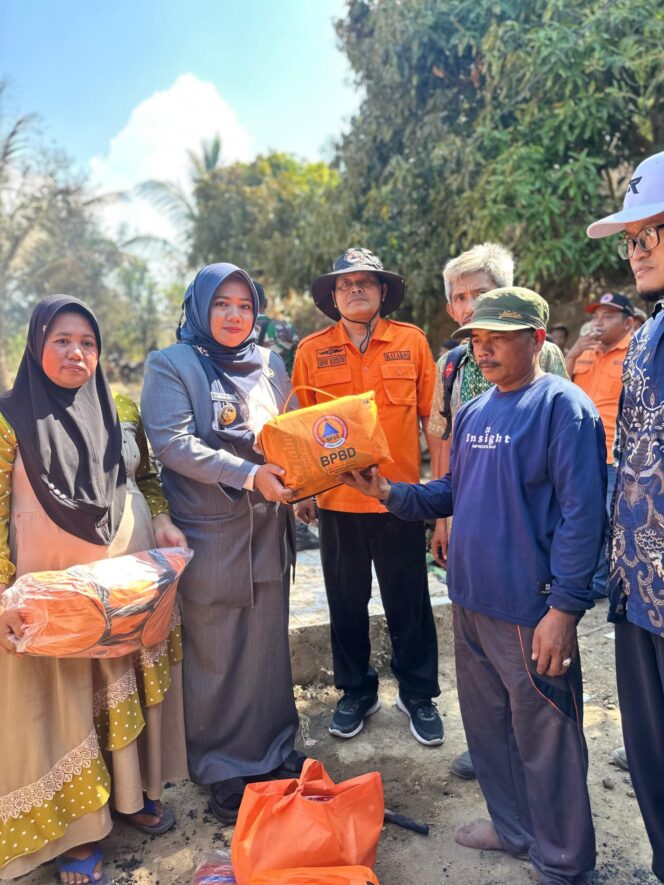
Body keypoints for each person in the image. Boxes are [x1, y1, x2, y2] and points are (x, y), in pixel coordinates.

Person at [342, 287, 607, 885]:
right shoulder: (478, 410)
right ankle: (513, 828)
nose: (482, 350)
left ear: (536, 339)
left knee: (546, 738)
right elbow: (451, 492)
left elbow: (583, 517)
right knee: (489, 728)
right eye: (476, 340)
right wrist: (387, 493)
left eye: (497, 339)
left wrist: (564, 608)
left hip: (530, 609)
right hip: (470, 601)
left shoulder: (563, 409)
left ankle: (564, 860)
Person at [0, 295, 187, 885]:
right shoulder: (8, 420)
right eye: (61, 341)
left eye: (86, 342)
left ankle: (131, 798)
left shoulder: (121, 408)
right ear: (36, 346)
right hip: (48, 603)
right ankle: (78, 833)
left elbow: (147, 475)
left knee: (117, 685)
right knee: (60, 706)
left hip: (124, 594)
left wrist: (159, 516)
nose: (76, 352)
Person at [141, 263, 303, 826]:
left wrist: (303, 482)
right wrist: (249, 473)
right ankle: (223, 766)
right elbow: (172, 444)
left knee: (265, 644)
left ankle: (274, 749)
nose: (235, 316)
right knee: (217, 650)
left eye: (244, 305)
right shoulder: (172, 364)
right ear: (199, 308)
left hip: (268, 525)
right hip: (212, 531)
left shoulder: (270, 364)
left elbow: (289, 435)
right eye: (222, 305)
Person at [427, 242, 568, 779]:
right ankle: (494, 749)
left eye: (479, 294)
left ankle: (534, 759)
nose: (467, 307)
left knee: (526, 652)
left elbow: (556, 452)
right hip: (469, 513)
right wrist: (444, 519)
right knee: (481, 648)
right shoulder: (451, 364)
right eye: (459, 298)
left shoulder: (543, 364)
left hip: (522, 523)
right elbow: (443, 442)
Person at [291, 247, 442, 746]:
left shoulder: (413, 342)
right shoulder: (312, 350)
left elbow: (434, 425)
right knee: (346, 603)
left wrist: (441, 502)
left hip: (398, 500)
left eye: (366, 282)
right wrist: (301, 494)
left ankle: (418, 694)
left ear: (382, 292)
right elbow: (300, 431)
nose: (355, 289)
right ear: (333, 296)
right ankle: (356, 691)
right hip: (337, 505)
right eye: (345, 283)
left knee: (410, 602)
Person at [587, 150, 664, 881]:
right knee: (650, 756)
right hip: (640, 585)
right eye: (631, 238)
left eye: (654, 232)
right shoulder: (644, 340)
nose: (637, 249)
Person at [566, 291, 634, 597]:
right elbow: (556, 384)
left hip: (614, 454)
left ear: (628, 322)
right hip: (579, 454)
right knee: (582, 518)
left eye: (608, 316)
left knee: (608, 520)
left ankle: (601, 583)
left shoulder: (636, 350)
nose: (599, 322)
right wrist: (572, 352)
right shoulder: (585, 352)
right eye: (596, 316)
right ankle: (589, 579)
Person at [253, 280, 317, 552]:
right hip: (280, 407)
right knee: (289, 465)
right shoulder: (284, 329)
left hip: (244, 412)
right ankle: (298, 525)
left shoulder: (221, 328)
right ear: (265, 304)